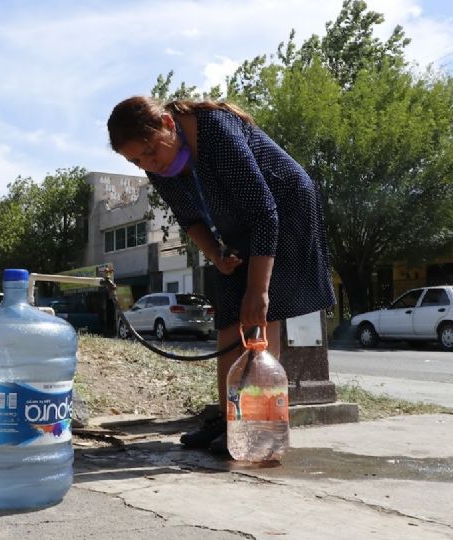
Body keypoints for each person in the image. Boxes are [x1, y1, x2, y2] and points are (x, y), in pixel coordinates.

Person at [107, 96, 335, 454]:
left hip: (285, 209)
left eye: (150, 151)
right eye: (135, 160)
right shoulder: (157, 165)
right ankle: (230, 420)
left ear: (168, 123)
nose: (148, 163)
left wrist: (259, 290)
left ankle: (259, 426)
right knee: (230, 311)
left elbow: (264, 213)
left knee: (261, 314)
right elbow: (191, 219)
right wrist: (216, 255)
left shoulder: (215, 131)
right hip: (242, 222)